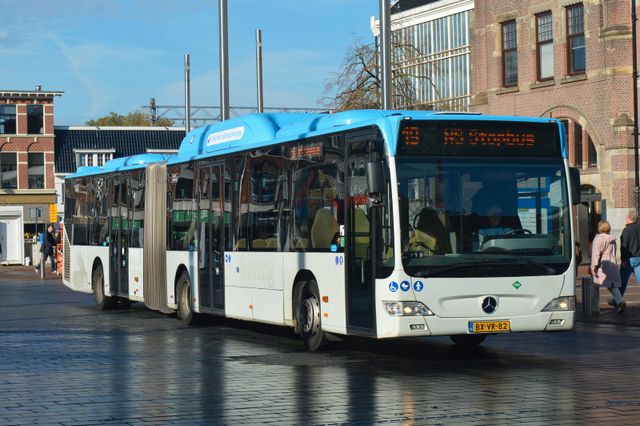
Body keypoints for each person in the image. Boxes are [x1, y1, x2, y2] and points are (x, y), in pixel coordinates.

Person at [590, 220, 626, 313]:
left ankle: (594, 308)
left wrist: (593, 267)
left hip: (602, 265)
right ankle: (620, 301)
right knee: (612, 285)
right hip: (612, 264)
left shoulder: (598, 239)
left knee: (595, 285)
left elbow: (595, 254)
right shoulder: (612, 239)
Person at [620, 210, 640, 297]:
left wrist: (623, 259)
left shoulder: (626, 230)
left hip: (628, 259)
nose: (625, 218)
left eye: (627, 217)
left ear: (630, 218)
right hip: (638, 258)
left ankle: (618, 301)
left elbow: (624, 246)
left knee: (622, 281)